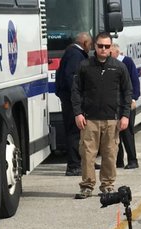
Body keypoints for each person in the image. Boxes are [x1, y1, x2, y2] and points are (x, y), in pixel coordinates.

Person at [71, 31, 132, 199]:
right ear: (94, 47)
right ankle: (87, 186)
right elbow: (75, 91)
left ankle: (107, 185)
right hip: (89, 119)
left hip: (112, 120)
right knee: (87, 155)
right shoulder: (84, 66)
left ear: (111, 47)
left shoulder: (119, 67)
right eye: (100, 46)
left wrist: (125, 115)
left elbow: (128, 91)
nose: (103, 49)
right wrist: (78, 113)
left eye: (107, 46)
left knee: (110, 154)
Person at [55, 32, 92, 176]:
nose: (90, 48)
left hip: (69, 98)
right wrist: (79, 96)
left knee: (83, 132)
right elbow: (72, 78)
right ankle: (73, 165)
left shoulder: (71, 53)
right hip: (72, 100)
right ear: (84, 43)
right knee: (74, 132)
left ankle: (85, 161)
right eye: (90, 45)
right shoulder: (76, 55)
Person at [112, 42, 140, 169]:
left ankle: (133, 160)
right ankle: (118, 161)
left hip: (127, 103)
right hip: (114, 104)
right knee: (114, 133)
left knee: (127, 133)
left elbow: (134, 81)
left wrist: (133, 98)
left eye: (110, 52)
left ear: (117, 52)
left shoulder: (127, 62)